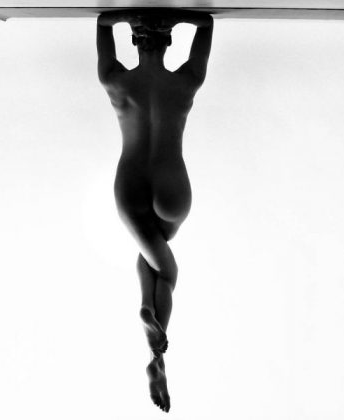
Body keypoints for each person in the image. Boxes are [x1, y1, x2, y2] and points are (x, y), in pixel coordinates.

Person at [97, 8, 213, 413]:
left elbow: (102, 21)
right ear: (167, 42)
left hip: (130, 181)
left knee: (158, 260)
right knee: (160, 262)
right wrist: (169, 19)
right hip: (171, 181)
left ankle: (156, 349)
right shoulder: (185, 81)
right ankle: (153, 339)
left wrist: (139, 18)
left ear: (135, 40)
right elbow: (207, 23)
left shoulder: (115, 81)